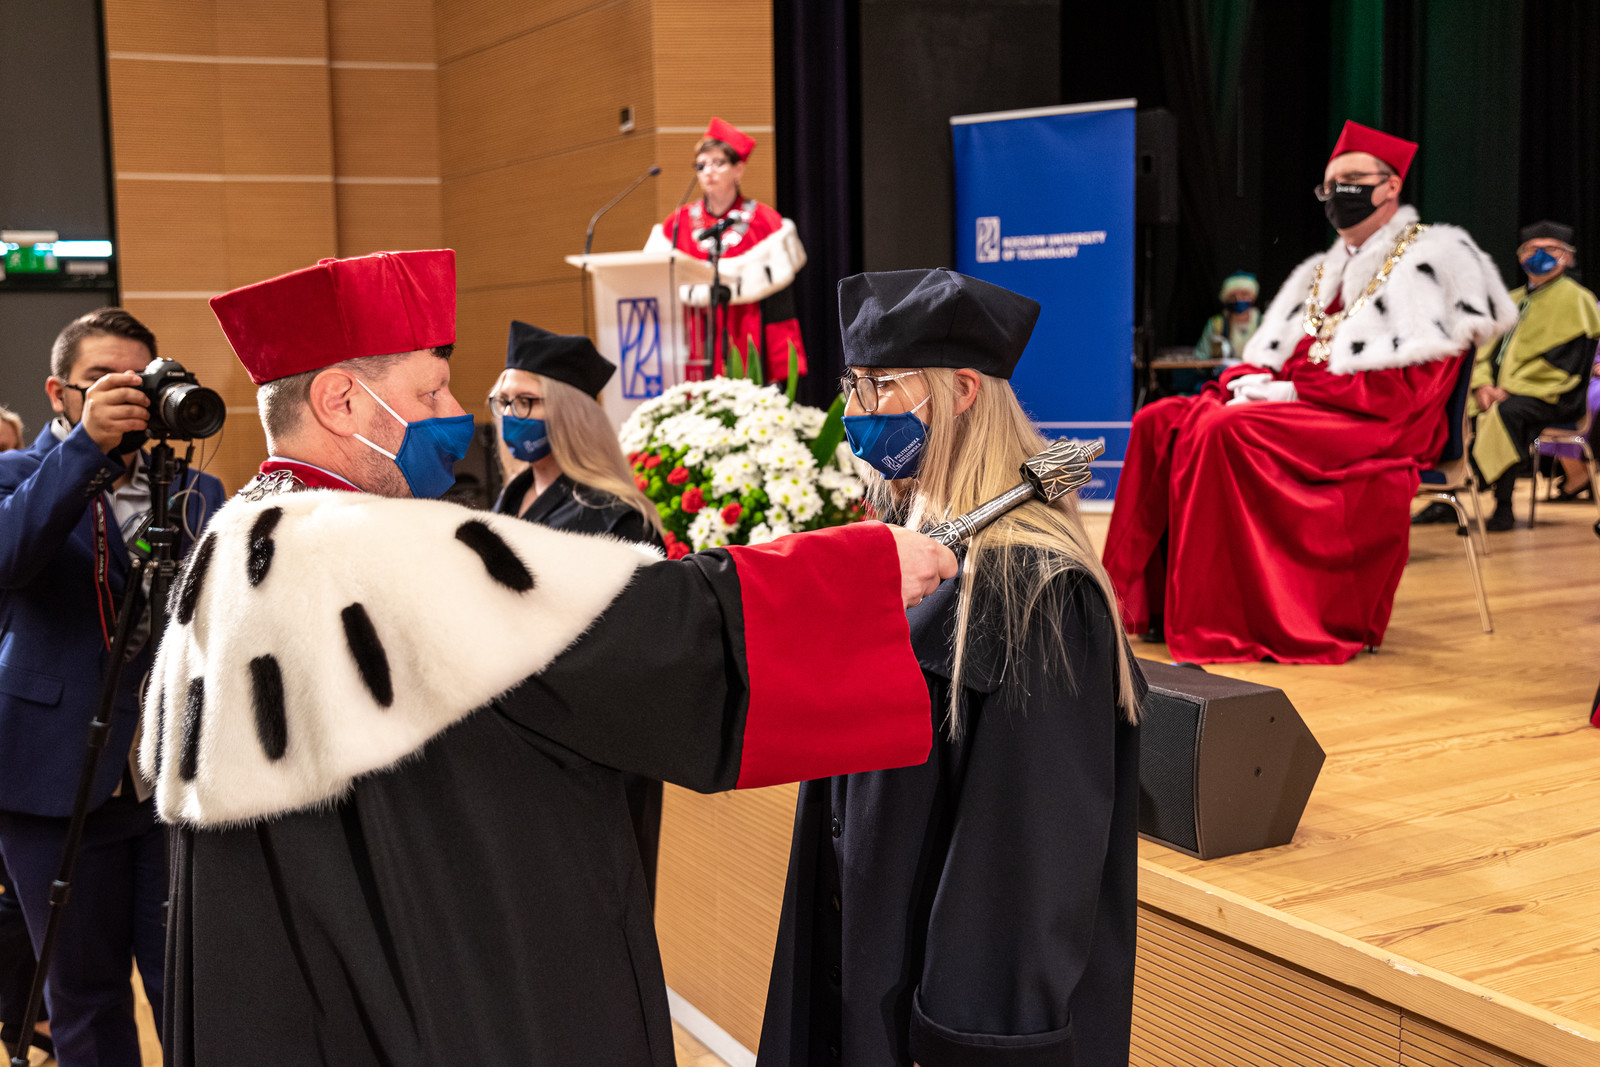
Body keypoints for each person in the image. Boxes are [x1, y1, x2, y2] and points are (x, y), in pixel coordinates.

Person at [143, 248, 958, 1066]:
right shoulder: (365, 548)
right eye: (430, 392)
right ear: (340, 398)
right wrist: (858, 575)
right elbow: (640, 629)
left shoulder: (235, 538)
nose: (456, 413)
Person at [759, 269, 1145, 1067]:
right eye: (853, 386)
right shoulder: (902, 544)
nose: (857, 411)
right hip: (860, 966)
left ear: (963, 389)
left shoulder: (1041, 597)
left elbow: (1018, 879)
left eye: (881, 386)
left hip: (937, 1025)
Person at [1104, 121, 1514, 664]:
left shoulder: (1433, 261)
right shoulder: (1325, 270)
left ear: (1391, 186)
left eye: (1352, 181)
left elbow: (1408, 393)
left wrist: (1291, 393)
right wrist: (1255, 380)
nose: (1338, 195)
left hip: (1382, 422)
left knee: (1225, 429)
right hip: (1321, 404)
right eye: (1330, 185)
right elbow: (1285, 352)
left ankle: (1226, 619)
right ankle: (1143, 606)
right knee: (1160, 418)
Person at [0, 308, 225, 1066]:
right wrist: (86, 451)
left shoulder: (197, 490)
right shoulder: (16, 476)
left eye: (138, 378)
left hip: (171, 780)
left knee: (191, 986)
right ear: (58, 392)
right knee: (84, 998)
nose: (123, 393)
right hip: (52, 777)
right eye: (101, 379)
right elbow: (9, 557)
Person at [490, 319, 667, 902]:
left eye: (527, 401)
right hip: (519, 747)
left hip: (589, 755)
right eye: (503, 402)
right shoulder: (511, 498)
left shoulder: (615, 517)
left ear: (569, 413)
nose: (511, 415)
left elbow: (632, 657)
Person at [1454, 221, 1597, 529]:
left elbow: (1568, 364)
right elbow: (1484, 352)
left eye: (1551, 249)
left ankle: (1502, 506)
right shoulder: (1510, 299)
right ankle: (1447, 495)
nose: (1539, 255)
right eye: (1532, 249)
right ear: (1520, 256)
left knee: (1506, 413)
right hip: (1500, 392)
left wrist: (1510, 389)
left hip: (1554, 396)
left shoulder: (1579, 301)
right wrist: (1483, 384)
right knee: (1454, 410)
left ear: (1568, 257)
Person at [646, 117, 808, 383]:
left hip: (747, 332)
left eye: (718, 163)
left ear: (738, 169)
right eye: (701, 165)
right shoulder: (677, 224)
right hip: (693, 338)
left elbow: (781, 306)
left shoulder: (765, 221)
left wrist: (781, 362)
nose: (708, 171)